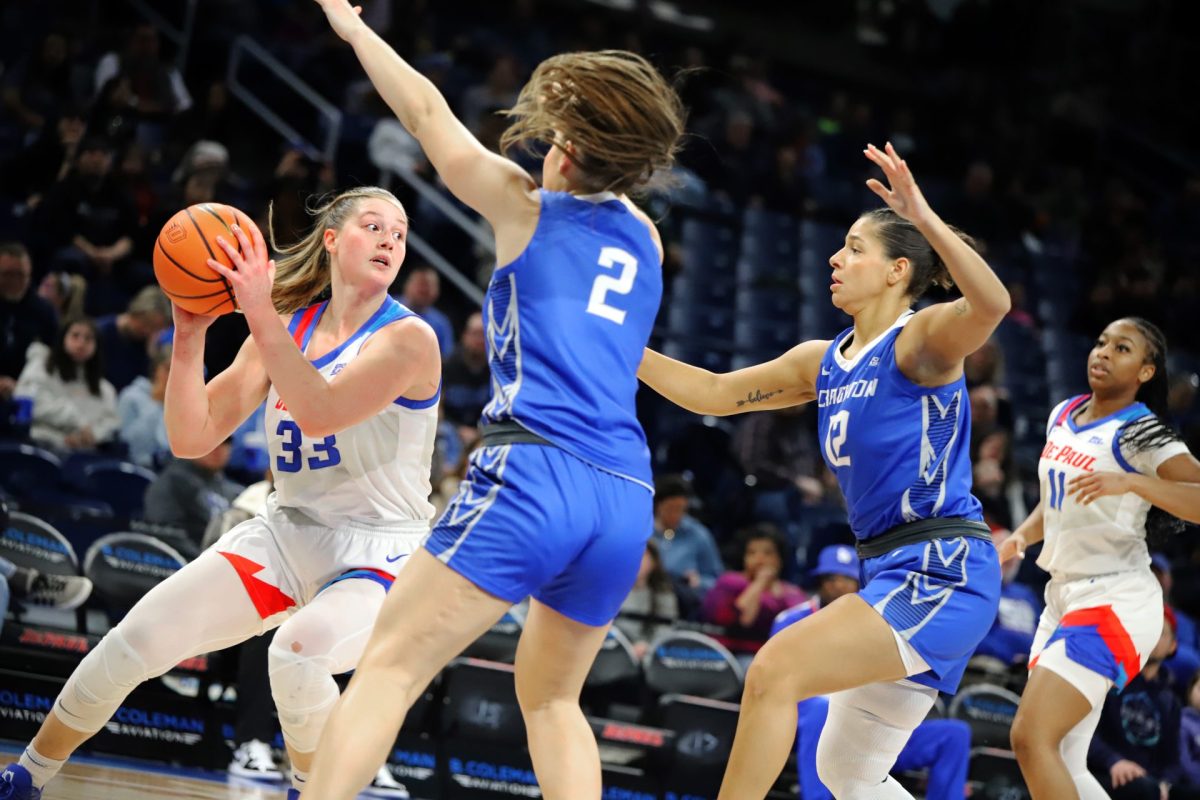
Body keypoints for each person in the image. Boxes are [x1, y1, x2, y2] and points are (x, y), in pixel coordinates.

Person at [300, 3, 686, 797]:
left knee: (390, 664)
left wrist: (353, 29)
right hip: (623, 497)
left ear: (570, 150)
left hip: (536, 471)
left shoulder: (525, 209)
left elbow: (424, 111)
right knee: (552, 698)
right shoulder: (646, 238)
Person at [0, 184, 442, 800]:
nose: (391, 240)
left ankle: (312, 792)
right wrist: (191, 333)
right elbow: (191, 436)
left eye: (399, 232)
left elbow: (317, 410)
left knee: (296, 655)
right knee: (138, 637)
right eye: (374, 226)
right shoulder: (288, 328)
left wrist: (258, 312)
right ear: (333, 239)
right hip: (288, 533)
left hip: (380, 554)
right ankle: (25, 777)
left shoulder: (410, 339)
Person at [638, 141, 1012, 798]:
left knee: (774, 670)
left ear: (899, 270)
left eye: (854, 248)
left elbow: (992, 306)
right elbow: (714, 393)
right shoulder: (823, 360)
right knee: (846, 771)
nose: (835, 258)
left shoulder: (921, 342)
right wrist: (617, 345)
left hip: (940, 569)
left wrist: (924, 216)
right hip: (888, 570)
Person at [1000, 317, 1200, 800]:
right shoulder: (1063, 413)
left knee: (1030, 737)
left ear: (1146, 372)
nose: (1104, 353)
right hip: (1062, 598)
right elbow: (1056, 502)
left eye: (1122, 348)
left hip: (1116, 596)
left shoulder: (1142, 433)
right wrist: (1020, 539)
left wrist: (1133, 481)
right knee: (1066, 759)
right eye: (1101, 342)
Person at [772, 544, 972, 800]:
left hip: (869, 716)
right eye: (832, 578)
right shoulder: (792, 619)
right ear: (820, 580)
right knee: (824, 707)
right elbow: (779, 680)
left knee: (955, 734)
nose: (839, 586)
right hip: (813, 715)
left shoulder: (880, 621)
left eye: (848, 578)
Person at [1087, 610, 1200, 799]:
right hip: (1105, 771)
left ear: (1172, 646)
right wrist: (1114, 761)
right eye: (1150, 629)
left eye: (1161, 632)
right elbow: (1084, 733)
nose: (1154, 636)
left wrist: (1166, 783)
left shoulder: (1170, 700)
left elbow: (1172, 759)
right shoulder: (1111, 678)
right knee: (1144, 790)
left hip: (1149, 781)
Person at [15, 317, 119, 453]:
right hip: (41, 445)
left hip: (84, 453)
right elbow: (28, 402)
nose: (81, 343)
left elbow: (111, 422)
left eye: (88, 338)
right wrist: (78, 422)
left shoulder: (105, 389)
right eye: (75, 336)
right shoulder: (41, 367)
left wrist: (91, 435)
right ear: (63, 338)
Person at [703, 523, 806, 656]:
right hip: (730, 654)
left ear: (779, 559)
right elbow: (744, 620)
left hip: (774, 657)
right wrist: (759, 583)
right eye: (752, 552)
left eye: (767, 553)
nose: (759, 559)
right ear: (744, 557)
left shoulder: (792, 593)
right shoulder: (730, 582)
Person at [651, 473, 726, 603]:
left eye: (681, 509)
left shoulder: (698, 535)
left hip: (684, 599)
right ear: (658, 506)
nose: (676, 515)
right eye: (671, 509)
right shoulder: (644, 530)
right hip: (646, 593)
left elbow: (717, 581)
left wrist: (698, 581)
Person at [615, 540, 680, 660]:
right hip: (613, 649)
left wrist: (648, 646)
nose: (637, 560)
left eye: (643, 556)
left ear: (654, 562)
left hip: (646, 654)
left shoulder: (662, 593)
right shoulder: (609, 589)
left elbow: (665, 629)